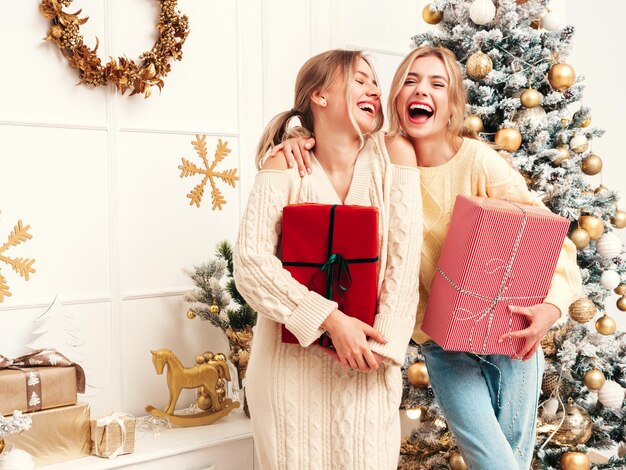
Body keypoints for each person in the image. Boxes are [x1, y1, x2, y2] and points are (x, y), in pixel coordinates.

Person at [274, 46, 582, 470]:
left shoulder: (478, 161)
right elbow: (329, 143)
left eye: (437, 84)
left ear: (452, 104)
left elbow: (553, 238)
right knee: (495, 463)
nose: (423, 90)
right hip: (441, 346)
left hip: (512, 336)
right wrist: (296, 139)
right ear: (397, 97)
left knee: (512, 461)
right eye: (411, 81)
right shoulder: (377, 157)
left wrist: (552, 305)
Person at [233, 49, 423, 470]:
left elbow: (403, 268)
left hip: (369, 369)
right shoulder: (285, 163)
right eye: (359, 79)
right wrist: (331, 323)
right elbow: (250, 265)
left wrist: (381, 348)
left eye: (375, 81)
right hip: (287, 380)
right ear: (319, 95)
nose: (374, 88)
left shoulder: (395, 156)